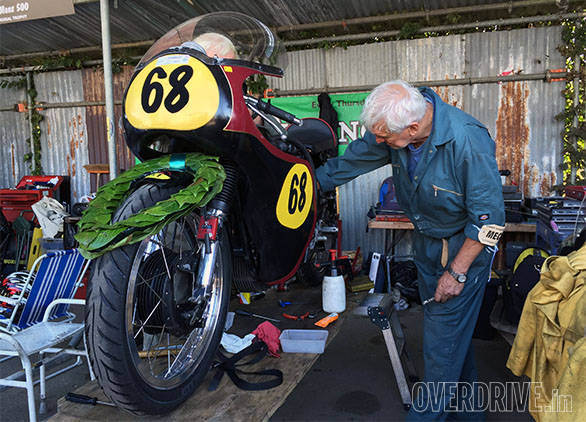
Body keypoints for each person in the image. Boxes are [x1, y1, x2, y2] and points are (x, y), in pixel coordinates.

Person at [316, 80, 505, 420]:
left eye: (384, 137)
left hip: (463, 251)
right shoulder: (397, 132)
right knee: (453, 338)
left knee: (440, 345)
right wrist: (303, 183)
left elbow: (488, 221)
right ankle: (471, 415)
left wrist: (457, 272)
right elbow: (352, 161)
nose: (378, 141)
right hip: (428, 244)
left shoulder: (466, 140)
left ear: (413, 127)